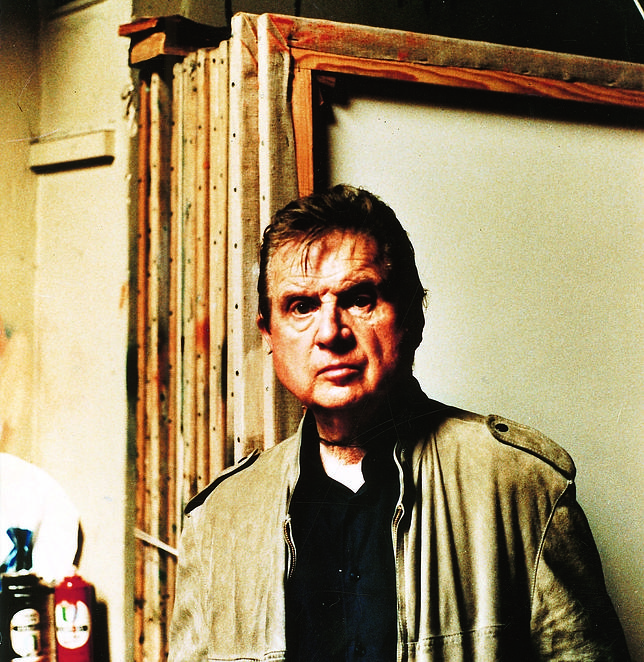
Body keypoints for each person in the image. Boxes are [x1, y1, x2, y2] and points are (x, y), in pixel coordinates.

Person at [169, 184, 630, 661]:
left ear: (413, 317)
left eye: (359, 299)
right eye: (301, 306)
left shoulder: (522, 488)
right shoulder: (217, 520)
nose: (330, 333)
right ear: (268, 332)